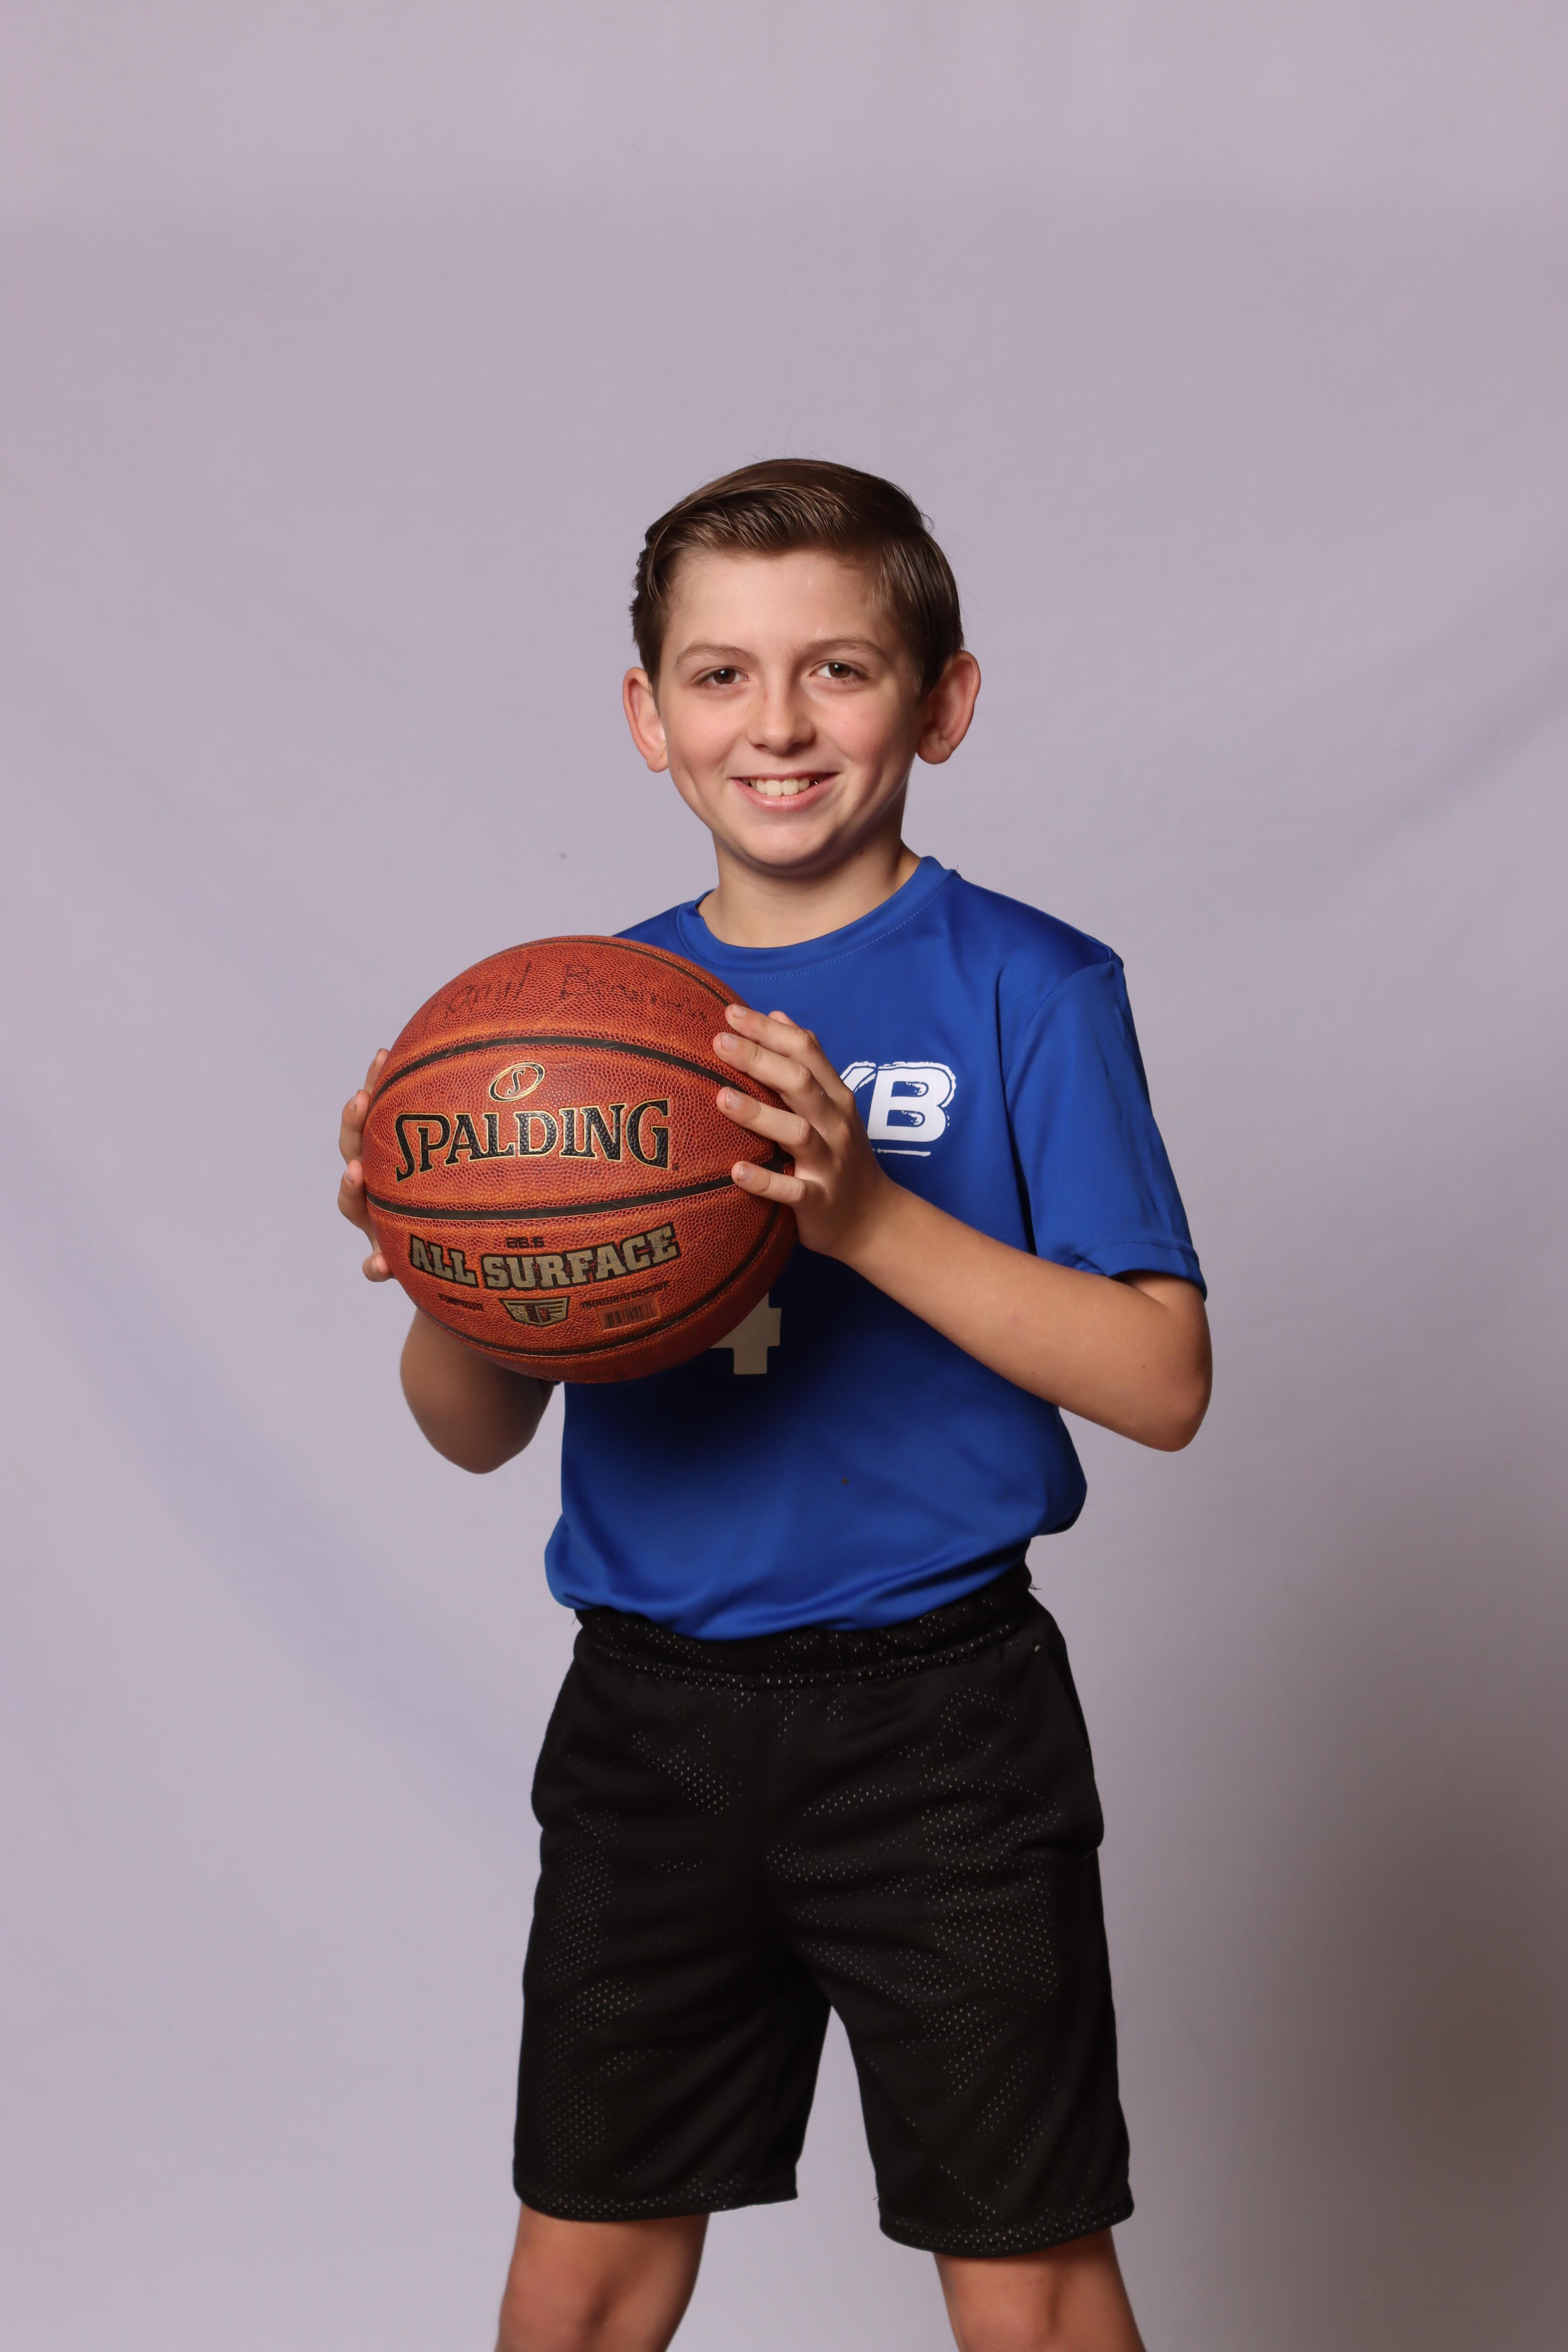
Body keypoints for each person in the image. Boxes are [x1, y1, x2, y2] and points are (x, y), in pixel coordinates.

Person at [337, 460, 1210, 2352]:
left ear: (942, 703)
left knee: (1032, 2269)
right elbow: (474, 1430)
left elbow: (1164, 1385)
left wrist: (867, 1217)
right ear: (649, 718)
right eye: (720, 675)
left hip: (943, 1722)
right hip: (649, 1717)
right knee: (581, 2267)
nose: (780, 724)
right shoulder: (573, 1017)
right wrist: (449, 1260)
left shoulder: (1030, 985)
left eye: (840, 668)